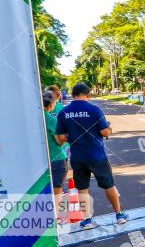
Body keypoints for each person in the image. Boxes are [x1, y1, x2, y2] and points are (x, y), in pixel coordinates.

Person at [55, 82, 128, 229]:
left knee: (82, 188)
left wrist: (72, 137)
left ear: (73, 94)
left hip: (78, 157)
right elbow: (104, 132)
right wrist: (110, 128)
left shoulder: (63, 112)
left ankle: (87, 220)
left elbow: (60, 138)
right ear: (87, 95)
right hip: (97, 155)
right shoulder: (94, 109)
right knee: (109, 185)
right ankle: (119, 215)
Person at [43, 93, 68, 224]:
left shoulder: (30, 119)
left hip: (40, 161)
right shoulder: (51, 120)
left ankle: (46, 215)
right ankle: (56, 216)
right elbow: (60, 141)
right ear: (52, 104)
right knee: (57, 189)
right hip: (56, 159)